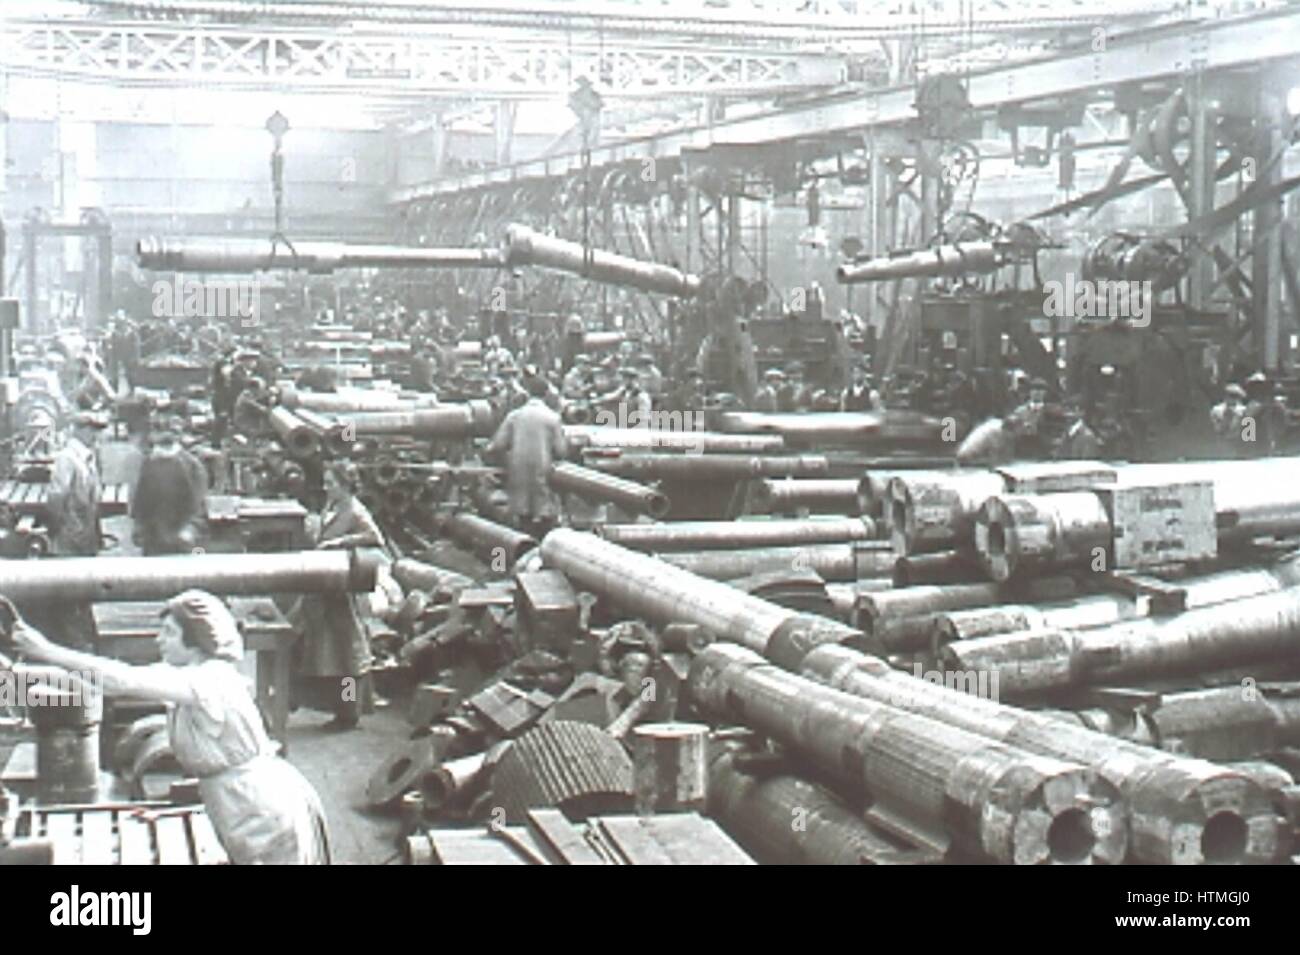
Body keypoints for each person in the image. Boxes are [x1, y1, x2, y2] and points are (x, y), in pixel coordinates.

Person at [10, 590, 330, 864]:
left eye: (169, 632)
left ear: (195, 640)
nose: (158, 639)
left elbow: (119, 680)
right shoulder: (186, 673)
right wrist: (15, 676)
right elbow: (104, 682)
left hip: (261, 811)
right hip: (239, 805)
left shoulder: (208, 680)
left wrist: (46, 650)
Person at [288, 462, 385, 731]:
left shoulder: (354, 510)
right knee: (313, 646)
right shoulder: (331, 506)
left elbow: (375, 538)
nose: (326, 487)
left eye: (332, 483)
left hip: (340, 592)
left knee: (347, 657)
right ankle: (295, 697)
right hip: (322, 587)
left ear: (345, 485)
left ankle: (349, 713)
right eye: (326, 482)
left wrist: (340, 543)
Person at [486, 376, 567, 537]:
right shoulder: (553, 418)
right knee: (545, 512)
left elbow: (497, 445)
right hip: (543, 470)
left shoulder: (514, 416)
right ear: (546, 394)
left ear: (528, 393)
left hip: (518, 471)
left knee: (523, 515)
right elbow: (561, 451)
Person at [131, 423, 209, 555]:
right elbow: (140, 500)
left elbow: (199, 504)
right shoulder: (149, 463)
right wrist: (139, 526)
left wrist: (190, 528)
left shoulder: (192, 466)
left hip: (182, 537)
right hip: (153, 537)